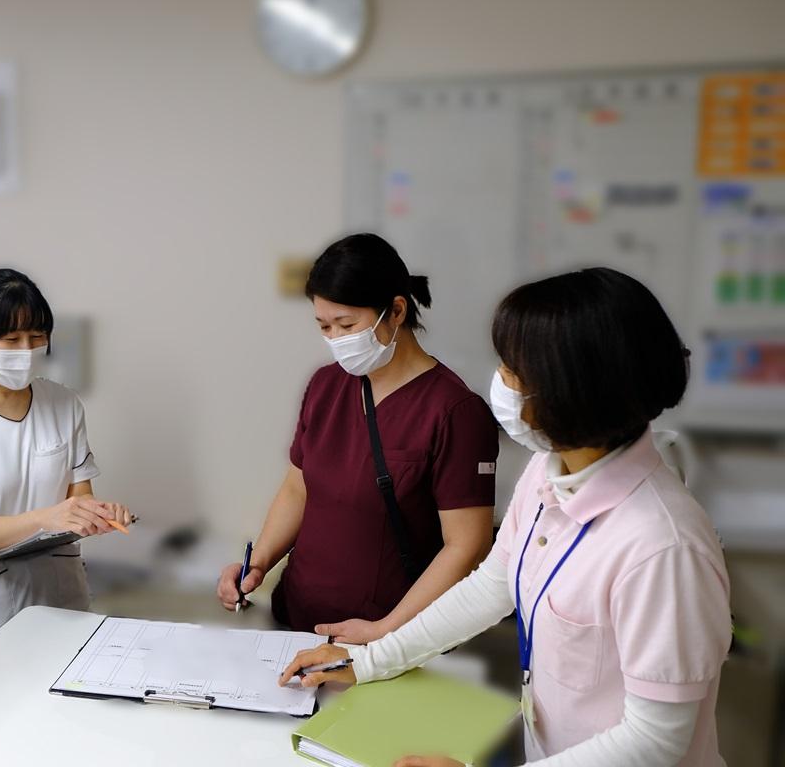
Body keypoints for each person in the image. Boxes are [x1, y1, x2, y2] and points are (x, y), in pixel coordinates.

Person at [281, 267, 731, 767]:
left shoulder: (662, 547)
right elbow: (493, 584)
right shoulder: (549, 469)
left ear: (569, 389)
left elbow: (657, 741)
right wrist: (369, 661)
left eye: (514, 368)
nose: (501, 381)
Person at [217, 233, 499, 643]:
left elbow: (467, 546)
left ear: (397, 310)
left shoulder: (455, 412)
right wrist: (256, 564)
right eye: (325, 326)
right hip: (296, 619)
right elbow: (298, 488)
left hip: (386, 637)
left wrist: (387, 631)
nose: (336, 338)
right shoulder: (326, 385)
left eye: (347, 325)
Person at [0, 268, 133, 678]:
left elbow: (79, 497)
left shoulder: (63, 403)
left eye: (36, 338)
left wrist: (99, 513)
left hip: (62, 607)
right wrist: (48, 517)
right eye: (10, 339)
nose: (26, 349)